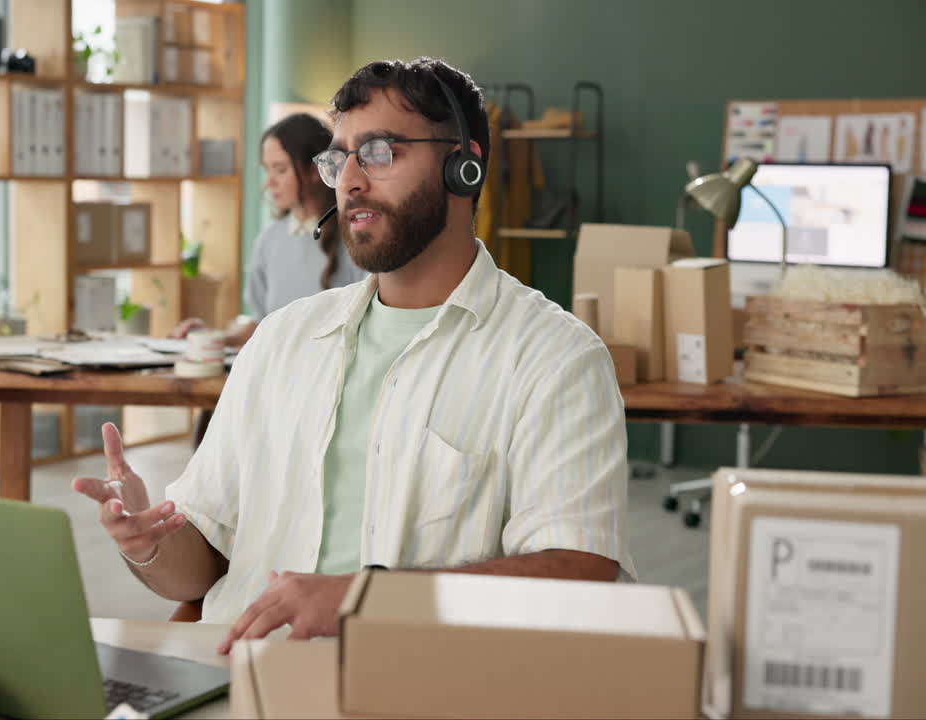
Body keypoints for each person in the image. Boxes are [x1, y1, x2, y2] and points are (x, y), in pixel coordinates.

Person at [73, 58, 634, 653]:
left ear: (462, 167)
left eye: (381, 152)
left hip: (406, 684)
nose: (350, 181)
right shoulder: (282, 340)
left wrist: (362, 599)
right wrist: (149, 541)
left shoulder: (555, 357)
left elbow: (581, 574)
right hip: (237, 674)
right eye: (339, 158)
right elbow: (202, 568)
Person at [171, 113, 366, 348]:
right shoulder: (269, 240)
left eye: (280, 170)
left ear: (316, 170)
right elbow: (261, 326)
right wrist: (212, 338)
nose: (269, 182)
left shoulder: (354, 235)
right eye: (268, 170)